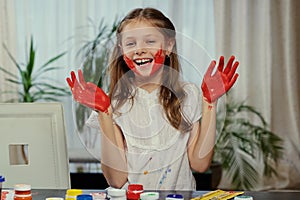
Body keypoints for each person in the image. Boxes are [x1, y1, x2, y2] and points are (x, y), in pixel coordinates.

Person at [66, 7, 239, 190]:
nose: (139, 49)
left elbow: (200, 163)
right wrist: (104, 113)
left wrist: (210, 103)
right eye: (130, 43)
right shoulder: (114, 103)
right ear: (121, 50)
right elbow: (116, 180)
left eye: (150, 41)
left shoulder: (189, 95)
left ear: (168, 46)